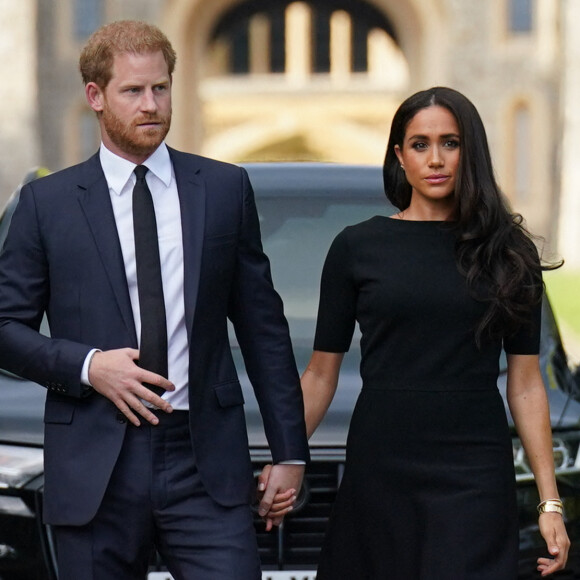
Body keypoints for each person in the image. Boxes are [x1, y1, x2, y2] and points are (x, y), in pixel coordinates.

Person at [0, 20, 308, 580]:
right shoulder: (46, 205)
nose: (151, 105)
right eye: (133, 91)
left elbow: (264, 327)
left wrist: (290, 452)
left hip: (204, 461)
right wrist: (90, 367)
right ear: (95, 97)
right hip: (96, 463)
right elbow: (5, 328)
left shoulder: (222, 189)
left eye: (160, 88)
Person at [262, 86, 570, 578]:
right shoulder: (357, 248)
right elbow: (320, 375)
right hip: (381, 467)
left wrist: (549, 503)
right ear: (399, 156)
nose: (436, 158)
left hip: (474, 473)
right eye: (420, 144)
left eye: (450, 142)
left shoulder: (508, 252)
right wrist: (286, 457)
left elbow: (527, 383)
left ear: (470, 152)